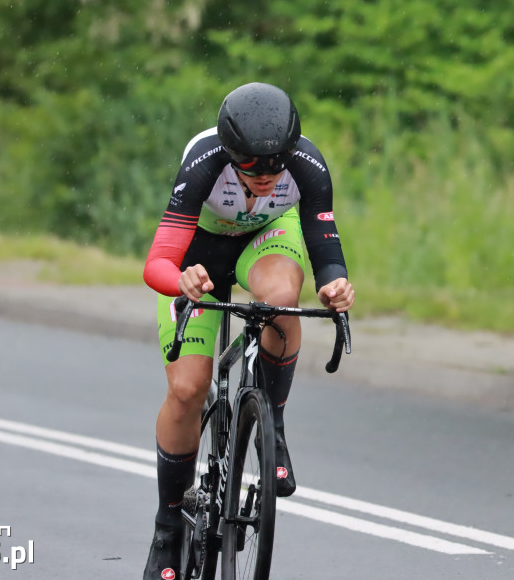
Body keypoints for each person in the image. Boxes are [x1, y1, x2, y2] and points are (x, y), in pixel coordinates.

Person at [140, 82, 355, 580]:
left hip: (266, 240)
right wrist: (181, 280)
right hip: (200, 259)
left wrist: (334, 286)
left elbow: (325, 245)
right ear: (230, 151)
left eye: (276, 163)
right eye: (251, 166)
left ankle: (272, 428)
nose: (265, 175)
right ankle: (167, 525)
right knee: (188, 389)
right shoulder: (203, 161)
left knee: (282, 300)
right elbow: (158, 262)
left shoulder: (307, 164)